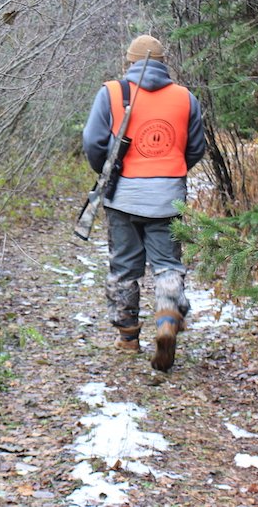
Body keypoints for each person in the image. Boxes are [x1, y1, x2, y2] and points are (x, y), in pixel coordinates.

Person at [81, 34, 206, 371]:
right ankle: (167, 319)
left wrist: (109, 171)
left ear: (129, 62)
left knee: (124, 268)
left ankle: (128, 336)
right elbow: (196, 148)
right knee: (167, 264)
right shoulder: (185, 97)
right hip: (168, 197)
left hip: (123, 196)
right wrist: (171, 172)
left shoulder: (111, 93)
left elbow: (92, 142)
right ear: (164, 62)